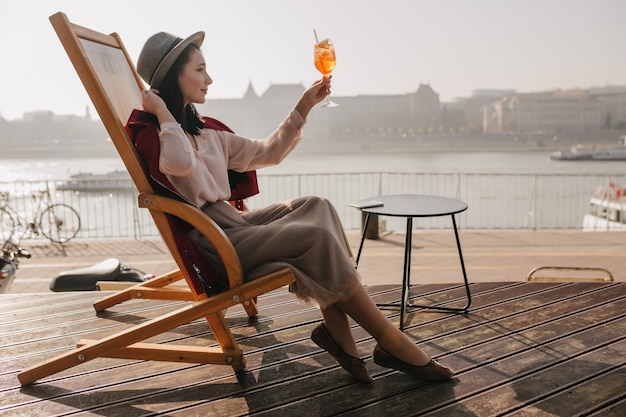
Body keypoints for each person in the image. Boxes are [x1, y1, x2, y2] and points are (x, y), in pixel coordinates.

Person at [134, 30, 454, 384]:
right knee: (314, 239)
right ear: (173, 77)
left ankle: (338, 332)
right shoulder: (161, 136)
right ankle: (389, 340)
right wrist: (164, 113)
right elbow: (178, 164)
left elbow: (268, 152)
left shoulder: (207, 134)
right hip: (214, 241)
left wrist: (305, 104)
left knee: (317, 206)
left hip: (234, 225)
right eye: (200, 69)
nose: (209, 79)